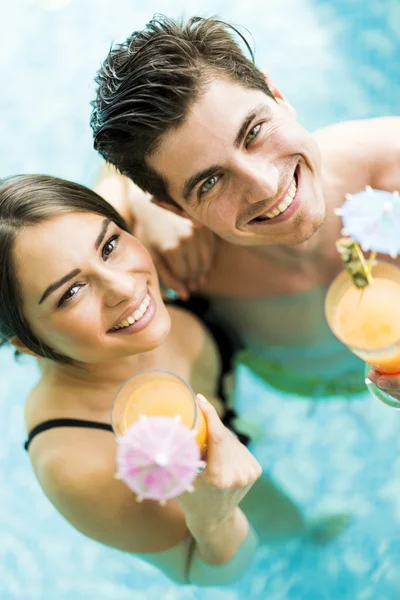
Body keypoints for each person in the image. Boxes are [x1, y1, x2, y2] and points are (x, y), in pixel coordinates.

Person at [90, 15, 400, 402]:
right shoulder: (175, 268)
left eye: (253, 132)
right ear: (175, 210)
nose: (265, 186)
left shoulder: (393, 166)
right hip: (298, 389)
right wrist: (126, 203)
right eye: (210, 182)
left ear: (279, 97)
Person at [0, 174, 263, 587]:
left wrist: (143, 205)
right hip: (212, 497)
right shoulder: (82, 464)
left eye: (108, 245)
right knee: (294, 529)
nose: (124, 287)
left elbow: (116, 159)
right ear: (29, 345)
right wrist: (213, 517)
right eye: (70, 293)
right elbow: (205, 572)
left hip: (229, 411)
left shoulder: (88, 233)